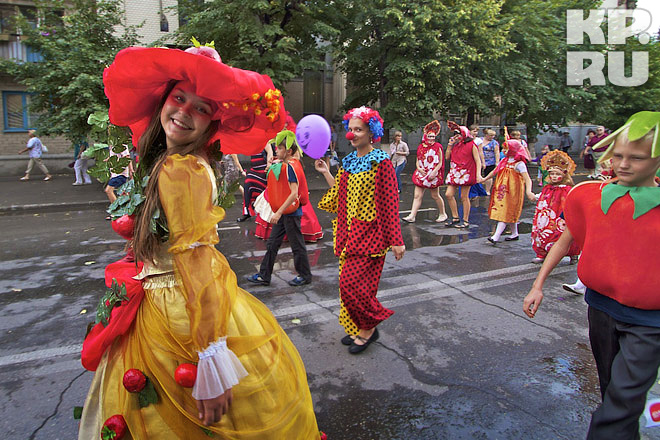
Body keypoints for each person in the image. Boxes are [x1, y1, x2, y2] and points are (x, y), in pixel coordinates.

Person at [78, 44, 319, 439]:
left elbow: (195, 260)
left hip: (178, 314)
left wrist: (210, 358)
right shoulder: (172, 162)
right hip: (163, 305)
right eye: (179, 98)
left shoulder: (181, 168)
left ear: (212, 125)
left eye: (202, 108)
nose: (185, 112)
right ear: (163, 100)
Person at [523, 111, 660, 440]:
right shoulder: (589, 196)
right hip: (600, 309)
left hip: (649, 322)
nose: (623, 165)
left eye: (636, 158)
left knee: (620, 403)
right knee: (611, 390)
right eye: (618, 156)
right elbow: (566, 237)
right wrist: (538, 284)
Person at [315, 106, 405, 354]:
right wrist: (326, 173)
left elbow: (389, 204)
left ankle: (368, 328)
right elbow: (339, 195)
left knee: (353, 286)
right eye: (351, 129)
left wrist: (396, 240)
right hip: (348, 233)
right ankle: (360, 326)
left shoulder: (382, 163)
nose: (352, 134)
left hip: (371, 235)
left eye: (358, 130)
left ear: (371, 132)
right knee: (348, 287)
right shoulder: (349, 161)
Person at [247, 130, 313, 287]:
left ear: (288, 151)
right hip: (286, 212)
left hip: (290, 213)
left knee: (296, 245)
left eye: (279, 149)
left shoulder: (291, 167)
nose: (276, 151)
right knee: (272, 243)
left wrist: (278, 212)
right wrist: (276, 162)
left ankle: (305, 275)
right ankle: (264, 275)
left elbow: (293, 193)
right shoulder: (290, 163)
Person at [479, 139, 535, 244]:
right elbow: (494, 172)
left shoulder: (519, 164)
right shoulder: (504, 161)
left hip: (513, 192)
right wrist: (484, 179)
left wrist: (529, 191)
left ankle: (495, 237)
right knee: (508, 212)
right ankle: (514, 234)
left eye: (506, 148)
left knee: (506, 212)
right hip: (502, 191)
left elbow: (527, 179)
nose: (504, 150)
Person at [530, 150, 581, 263]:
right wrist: (536, 197)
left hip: (560, 215)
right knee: (544, 230)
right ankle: (542, 253)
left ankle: (572, 254)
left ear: (564, 174)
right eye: (552, 174)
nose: (554, 176)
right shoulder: (548, 187)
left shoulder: (566, 189)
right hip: (547, 214)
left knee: (563, 233)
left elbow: (573, 200)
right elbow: (544, 197)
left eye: (557, 174)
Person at [402, 120, 447, 223]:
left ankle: (442, 213)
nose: (431, 138)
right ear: (425, 136)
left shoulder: (438, 147)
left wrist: (435, 172)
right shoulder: (421, 146)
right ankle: (412, 215)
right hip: (421, 173)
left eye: (433, 136)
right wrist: (419, 168)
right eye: (429, 136)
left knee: (435, 195)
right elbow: (418, 159)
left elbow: (440, 161)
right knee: (417, 195)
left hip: (433, 174)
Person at [444, 121, 481, 228]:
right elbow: (447, 157)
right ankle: (455, 217)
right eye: (455, 135)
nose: (457, 136)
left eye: (459, 134)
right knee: (448, 194)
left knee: (464, 197)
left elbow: (477, 160)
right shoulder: (456, 146)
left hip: (466, 173)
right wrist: (450, 144)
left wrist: (478, 175)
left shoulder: (471, 145)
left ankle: (465, 220)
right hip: (455, 173)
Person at [480, 129, 500, 195]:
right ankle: (478, 190)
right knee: (478, 174)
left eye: (493, 135)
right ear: (486, 135)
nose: (492, 137)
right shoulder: (480, 140)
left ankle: (487, 190)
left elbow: (497, 152)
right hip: (479, 160)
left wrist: (497, 162)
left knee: (488, 175)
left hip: (490, 161)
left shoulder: (494, 143)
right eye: (491, 135)